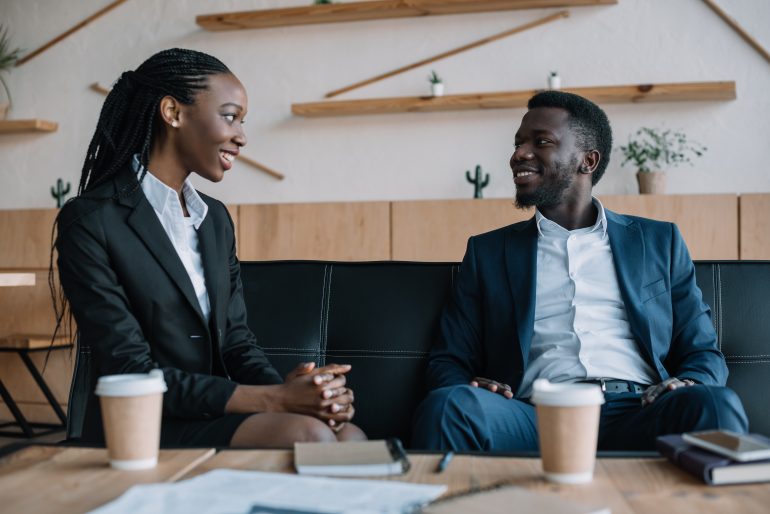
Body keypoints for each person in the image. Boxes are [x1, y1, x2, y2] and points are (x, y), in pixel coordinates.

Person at [55, 48, 365, 447]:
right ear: (173, 112)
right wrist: (276, 401)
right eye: (230, 116)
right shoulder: (91, 220)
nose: (242, 136)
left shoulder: (213, 219)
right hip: (143, 424)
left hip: (217, 412)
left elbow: (236, 342)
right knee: (311, 437)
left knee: (347, 435)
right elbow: (130, 369)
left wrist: (299, 397)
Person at [412, 91, 748, 452]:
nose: (518, 154)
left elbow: (703, 352)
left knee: (715, 404)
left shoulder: (657, 242)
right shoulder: (489, 252)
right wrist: (472, 387)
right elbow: (449, 358)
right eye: (518, 143)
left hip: (641, 409)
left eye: (540, 142)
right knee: (448, 407)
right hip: (533, 415)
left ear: (587, 161)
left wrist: (690, 384)